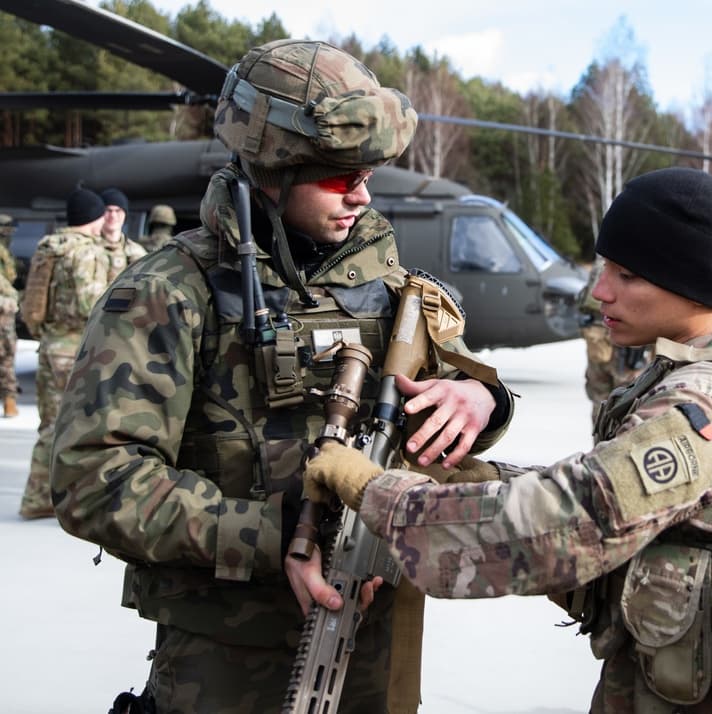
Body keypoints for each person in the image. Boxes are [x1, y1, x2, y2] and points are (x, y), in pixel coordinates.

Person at [51, 39, 514, 714]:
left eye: (367, 173)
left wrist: (482, 399)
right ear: (273, 167)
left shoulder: (394, 292)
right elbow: (94, 478)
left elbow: (463, 400)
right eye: (337, 175)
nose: (361, 193)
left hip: (376, 641)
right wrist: (279, 537)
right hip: (231, 660)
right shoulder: (170, 292)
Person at [304, 168, 712, 713]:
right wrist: (487, 480)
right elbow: (623, 508)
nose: (600, 293)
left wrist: (375, 490)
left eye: (626, 275)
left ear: (686, 280)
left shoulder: (704, 407)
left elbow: (567, 522)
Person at [18, 189, 111, 519]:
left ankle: (41, 497)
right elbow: (91, 304)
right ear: (94, 218)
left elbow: (33, 305)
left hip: (49, 345)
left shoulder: (50, 246)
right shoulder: (86, 252)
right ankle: (51, 500)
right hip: (74, 349)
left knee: (50, 424)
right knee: (73, 427)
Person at [577, 255, 653, 428]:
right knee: (627, 400)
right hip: (621, 342)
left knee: (601, 398)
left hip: (597, 337)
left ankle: (600, 445)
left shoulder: (603, 262)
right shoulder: (626, 262)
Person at [99, 187, 148, 275]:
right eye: (108, 210)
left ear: (125, 214)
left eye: (118, 211)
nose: (113, 215)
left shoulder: (137, 252)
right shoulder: (87, 249)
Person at [0, 214, 20, 417]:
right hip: (4, 306)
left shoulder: (5, 250)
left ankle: (9, 400)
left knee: (6, 355)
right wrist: (13, 296)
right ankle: (9, 399)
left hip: (5, 307)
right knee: (6, 355)